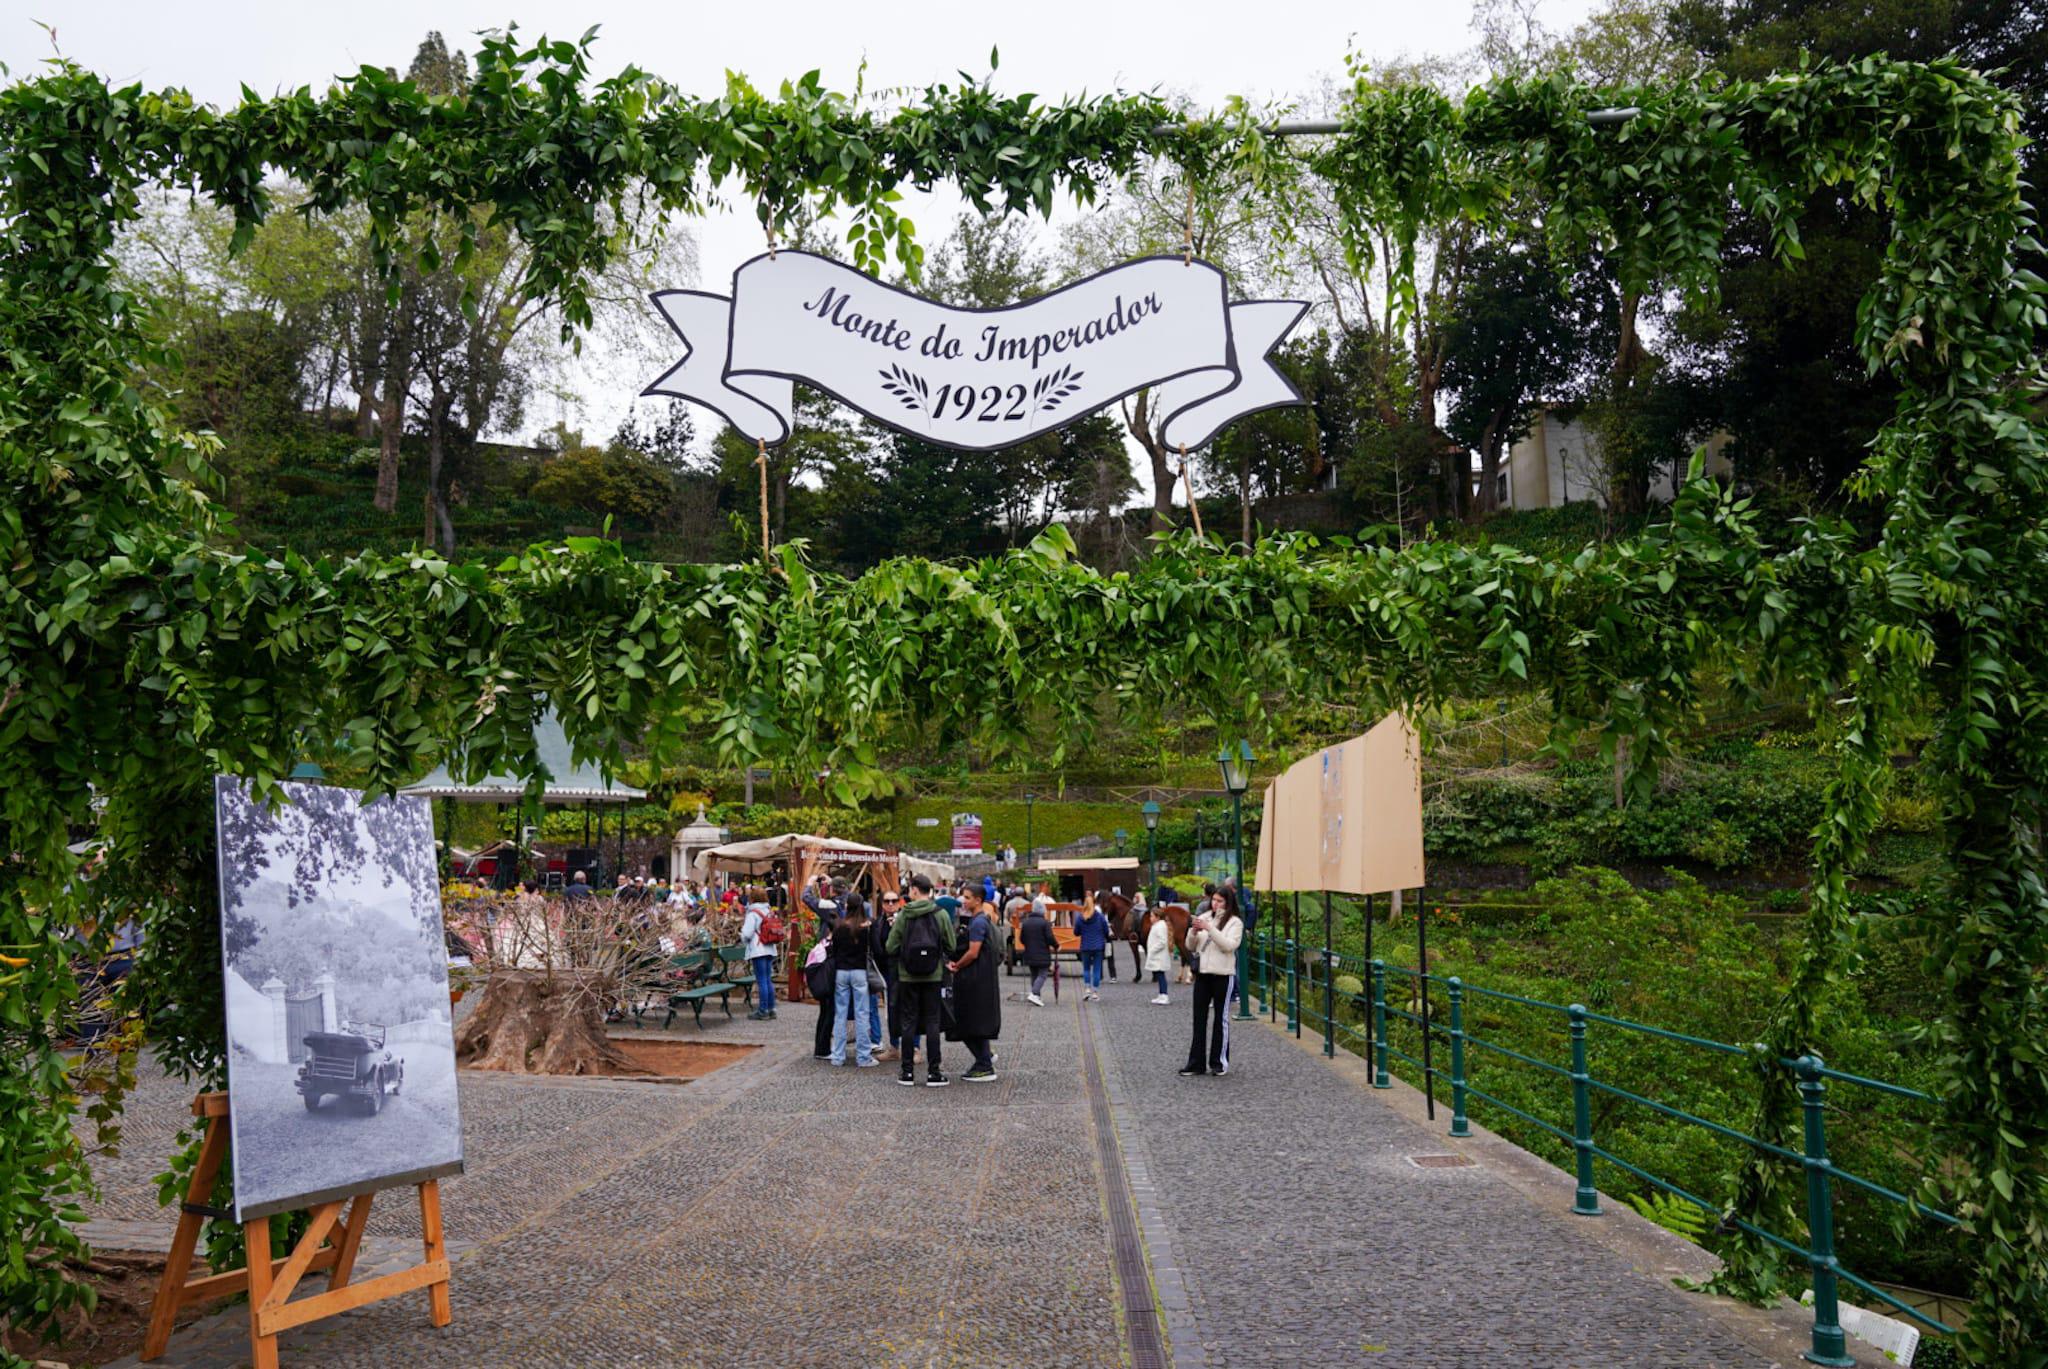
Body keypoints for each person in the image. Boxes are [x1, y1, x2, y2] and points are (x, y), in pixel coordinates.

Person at [885, 873, 957, 1087]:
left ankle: (907, 1072)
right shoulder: (941, 914)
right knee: (933, 1021)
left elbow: (890, 946)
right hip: (933, 975)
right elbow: (951, 945)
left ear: (915, 890)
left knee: (908, 1021)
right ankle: (934, 1072)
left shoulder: (904, 915)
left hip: (907, 975)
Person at [1181, 889, 1244, 1077]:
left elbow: (1228, 945)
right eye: (1214, 900)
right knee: (1198, 1019)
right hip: (1203, 974)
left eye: (1220, 901)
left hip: (1223, 974)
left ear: (1228, 902)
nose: (1215, 904)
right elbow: (1190, 946)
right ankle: (1196, 1063)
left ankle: (1219, 1062)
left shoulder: (1235, 922)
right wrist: (1193, 932)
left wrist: (1210, 929)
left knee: (1220, 1019)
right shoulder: (1205, 916)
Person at [946, 886, 1002, 1082]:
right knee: (974, 1021)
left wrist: (957, 966)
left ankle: (984, 1063)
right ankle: (984, 1058)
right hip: (982, 978)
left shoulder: (978, 923)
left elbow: (973, 952)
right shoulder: (983, 920)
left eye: (967, 898)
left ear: (978, 900)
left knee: (966, 1021)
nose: (963, 901)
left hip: (975, 979)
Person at [826, 901, 877, 1067]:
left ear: (847, 908)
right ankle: (863, 1057)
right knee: (862, 1014)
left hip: (841, 972)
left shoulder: (840, 928)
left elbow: (833, 950)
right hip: (859, 972)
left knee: (840, 1015)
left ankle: (837, 1056)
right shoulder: (866, 928)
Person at [741, 890, 779, 1021]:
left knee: (761, 980)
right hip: (770, 947)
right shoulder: (768, 911)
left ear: (752, 898)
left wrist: (743, 940)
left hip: (758, 949)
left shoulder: (753, 913)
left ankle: (763, 1010)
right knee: (768, 979)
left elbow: (747, 933)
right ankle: (771, 1008)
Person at [1018, 897, 1057, 1006]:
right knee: (1043, 974)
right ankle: (1034, 993)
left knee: (1034, 975)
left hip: (1029, 953)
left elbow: (1022, 939)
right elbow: (1050, 938)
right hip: (1042, 953)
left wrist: (1028, 945)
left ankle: (1037, 997)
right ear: (1042, 911)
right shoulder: (1045, 923)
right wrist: (1056, 945)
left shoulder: (1025, 923)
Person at [1074, 896, 1109, 1002]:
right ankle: (1095, 992)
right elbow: (1106, 931)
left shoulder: (1080, 918)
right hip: (1098, 946)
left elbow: (1076, 932)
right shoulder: (1100, 917)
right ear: (1094, 904)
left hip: (1085, 946)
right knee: (1097, 969)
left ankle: (1087, 989)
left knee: (1086, 969)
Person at [1145, 910, 1173, 1005]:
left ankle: (1164, 995)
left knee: (1161, 975)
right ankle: (1161, 994)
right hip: (1158, 956)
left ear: (1157, 917)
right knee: (1159, 974)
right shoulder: (1158, 925)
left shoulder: (1160, 926)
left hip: (1159, 956)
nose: (1150, 918)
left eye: (1152, 916)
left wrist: (1152, 950)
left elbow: (1162, 941)